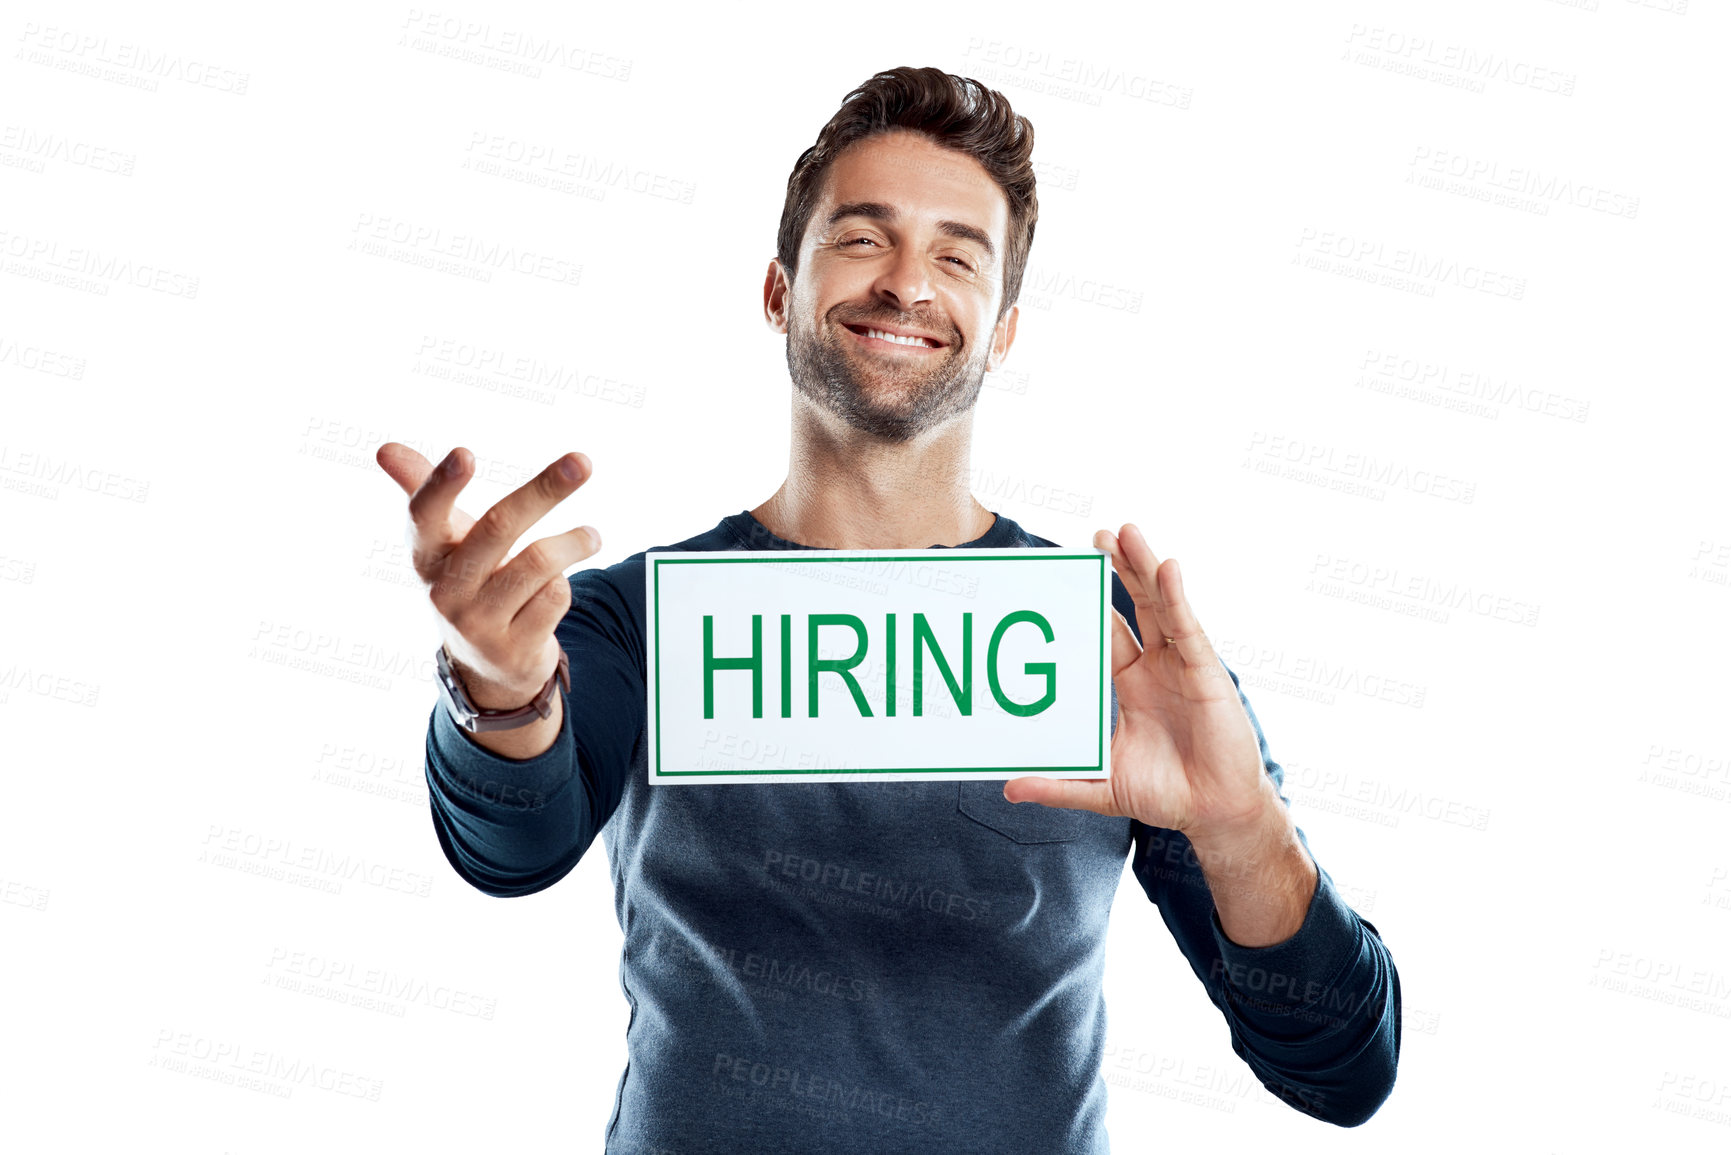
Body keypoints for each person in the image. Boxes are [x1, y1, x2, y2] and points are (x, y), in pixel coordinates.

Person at [375, 65, 1400, 1153]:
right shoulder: (640, 619)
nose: (908, 284)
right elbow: (510, 848)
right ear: (779, 290)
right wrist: (496, 692)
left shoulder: (1109, 641)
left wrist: (1240, 826)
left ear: (1001, 330)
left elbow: (1341, 1071)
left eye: (957, 256)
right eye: (863, 238)